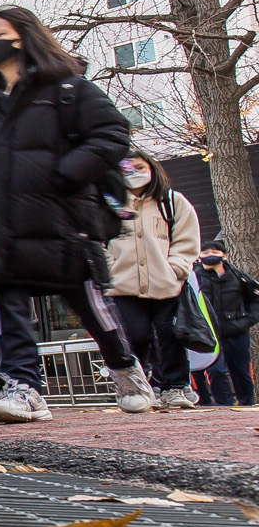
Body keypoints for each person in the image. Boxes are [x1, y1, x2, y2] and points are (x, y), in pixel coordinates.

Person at [0, 6, 156, 422]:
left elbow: (112, 134)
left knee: (91, 305)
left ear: (25, 36)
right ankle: (25, 389)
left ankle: (127, 372)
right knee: (8, 313)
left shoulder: (69, 89)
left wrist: (65, 173)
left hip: (63, 223)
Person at [105, 150, 204, 409]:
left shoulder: (172, 202)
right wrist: (110, 269)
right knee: (134, 337)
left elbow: (186, 238)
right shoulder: (109, 204)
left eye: (140, 167)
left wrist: (177, 268)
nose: (134, 173)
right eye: (127, 169)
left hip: (166, 284)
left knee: (170, 336)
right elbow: (98, 240)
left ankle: (175, 387)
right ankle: (138, 388)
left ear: (152, 169)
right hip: (123, 286)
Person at [192, 239, 257, 406]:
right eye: (205, 253)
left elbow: (255, 300)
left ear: (224, 256)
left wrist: (246, 321)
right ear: (199, 257)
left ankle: (246, 403)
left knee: (241, 371)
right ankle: (223, 405)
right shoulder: (194, 278)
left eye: (214, 252)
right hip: (207, 334)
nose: (209, 256)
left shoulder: (239, 277)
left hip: (236, 332)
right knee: (214, 370)